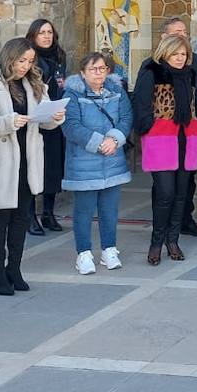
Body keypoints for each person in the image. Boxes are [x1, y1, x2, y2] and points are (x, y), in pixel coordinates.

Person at [0, 37, 63, 296]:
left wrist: (55, 117)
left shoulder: (34, 84)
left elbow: (44, 122)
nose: (25, 66)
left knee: (22, 218)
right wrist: (9, 121)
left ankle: (15, 268)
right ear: (10, 58)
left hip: (27, 159)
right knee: (0, 219)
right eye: (22, 60)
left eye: (30, 61)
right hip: (0, 161)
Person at [134, 34, 197, 266]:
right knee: (165, 192)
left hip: (187, 138)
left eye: (183, 54)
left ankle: (173, 241)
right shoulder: (152, 72)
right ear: (165, 52)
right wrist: (147, 130)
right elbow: (142, 105)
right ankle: (156, 242)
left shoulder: (191, 74)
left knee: (181, 194)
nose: (179, 58)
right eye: (175, 54)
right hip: (162, 138)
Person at [61, 53, 133, 275]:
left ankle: (109, 249)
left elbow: (126, 117)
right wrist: (99, 143)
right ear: (82, 73)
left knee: (109, 209)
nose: (98, 73)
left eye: (102, 68)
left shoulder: (117, 92)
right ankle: (84, 253)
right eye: (93, 69)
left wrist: (114, 139)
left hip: (113, 160)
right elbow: (71, 126)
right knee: (84, 210)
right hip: (84, 163)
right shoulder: (72, 95)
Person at [156, 17, 197, 239]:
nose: (183, 36)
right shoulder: (153, 64)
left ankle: (185, 220)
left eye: (185, 32)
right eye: (177, 32)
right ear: (164, 37)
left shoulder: (196, 61)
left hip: (189, 132)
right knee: (163, 185)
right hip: (162, 135)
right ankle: (161, 226)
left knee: (188, 181)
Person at [25, 19, 68, 235]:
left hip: (55, 118)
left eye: (49, 32)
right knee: (34, 168)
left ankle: (49, 213)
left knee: (53, 167)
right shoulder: (30, 58)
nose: (46, 36)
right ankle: (30, 216)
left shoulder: (59, 56)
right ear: (33, 35)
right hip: (35, 121)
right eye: (41, 32)